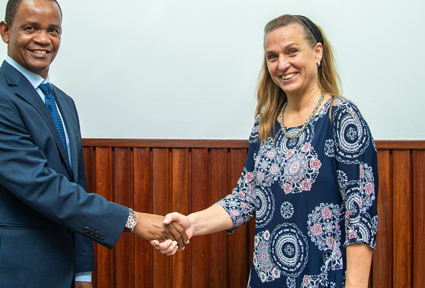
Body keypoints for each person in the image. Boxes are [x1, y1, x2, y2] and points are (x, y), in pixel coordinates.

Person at [0, 0, 187, 288]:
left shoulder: (63, 103)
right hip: (2, 270)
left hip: (57, 270)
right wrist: (133, 220)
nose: (43, 39)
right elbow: (40, 185)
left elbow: (75, 186)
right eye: (30, 28)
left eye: (53, 30)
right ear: (5, 31)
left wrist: (82, 272)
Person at [154, 14, 379, 288]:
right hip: (267, 279)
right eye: (272, 56)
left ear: (317, 52)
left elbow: (361, 218)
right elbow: (246, 198)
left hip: (323, 279)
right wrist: (190, 224)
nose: (282, 64)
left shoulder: (342, 118)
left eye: (292, 51)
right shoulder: (266, 123)